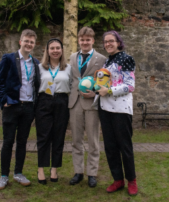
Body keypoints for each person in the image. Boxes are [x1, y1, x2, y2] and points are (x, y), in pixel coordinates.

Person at [0, 29, 40, 190]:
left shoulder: (35, 63)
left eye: (32, 42)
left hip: (28, 107)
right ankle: (4, 176)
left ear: (34, 45)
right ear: (20, 41)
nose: (29, 44)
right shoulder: (8, 59)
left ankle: (18, 173)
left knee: (22, 142)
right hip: (12, 106)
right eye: (26, 41)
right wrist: (4, 100)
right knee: (8, 141)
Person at [96, 30, 138, 196]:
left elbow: (130, 85)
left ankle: (132, 180)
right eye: (105, 41)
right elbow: (104, 84)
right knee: (110, 147)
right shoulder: (107, 61)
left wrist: (110, 91)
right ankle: (118, 179)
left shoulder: (127, 59)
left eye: (111, 41)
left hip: (121, 109)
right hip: (105, 109)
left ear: (119, 42)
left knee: (125, 147)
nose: (108, 44)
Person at [68, 27, 106, 187]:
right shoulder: (72, 57)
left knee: (93, 140)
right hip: (75, 103)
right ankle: (78, 172)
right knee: (76, 140)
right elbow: (70, 80)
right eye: (82, 40)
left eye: (88, 40)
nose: (85, 42)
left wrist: (95, 93)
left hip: (92, 104)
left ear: (93, 41)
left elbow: (105, 83)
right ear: (79, 41)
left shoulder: (102, 59)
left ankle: (92, 173)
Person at [35, 39, 71, 185]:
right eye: (52, 48)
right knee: (43, 137)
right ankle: (41, 169)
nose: (55, 50)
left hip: (62, 102)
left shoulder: (68, 68)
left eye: (58, 48)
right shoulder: (40, 68)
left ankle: (54, 168)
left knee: (58, 136)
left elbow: (73, 85)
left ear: (62, 50)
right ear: (47, 51)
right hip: (44, 101)